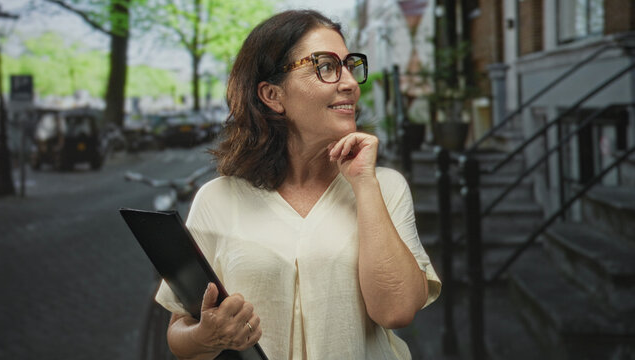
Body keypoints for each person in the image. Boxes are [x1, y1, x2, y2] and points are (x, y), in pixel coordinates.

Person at [155, 9, 441, 360]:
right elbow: (178, 334)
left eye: (350, 65)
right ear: (273, 95)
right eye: (325, 66)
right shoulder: (217, 199)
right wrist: (207, 334)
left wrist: (364, 185)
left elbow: (396, 312)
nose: (350, 82)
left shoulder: (385, 187)